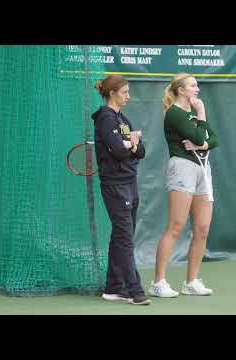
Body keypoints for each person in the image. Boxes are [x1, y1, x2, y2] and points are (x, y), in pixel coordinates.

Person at [148, 73, 218, 298]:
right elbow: (200, 137)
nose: (197, 89)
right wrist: (201, 118)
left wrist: (203, 144)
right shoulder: (175, 114)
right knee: (176, 226)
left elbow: (212, 139)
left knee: (202, 229)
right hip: (182, 168)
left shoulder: (190, 113)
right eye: (193, 86)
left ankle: (191, 282)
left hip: (203, 170)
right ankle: (158, 283)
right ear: (181, 90)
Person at [92, 75, 151, 305]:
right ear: (112, 93)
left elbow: (141, 151)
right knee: (125, 238)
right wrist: (130, 144)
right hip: (114, 184)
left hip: (130, 182)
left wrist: (131, 144)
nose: (128, 96)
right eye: (125, 92)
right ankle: (134, 291)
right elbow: (117, 150)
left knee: (121, 236)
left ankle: (114, 287)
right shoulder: (105, 119)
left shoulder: (122, 120)